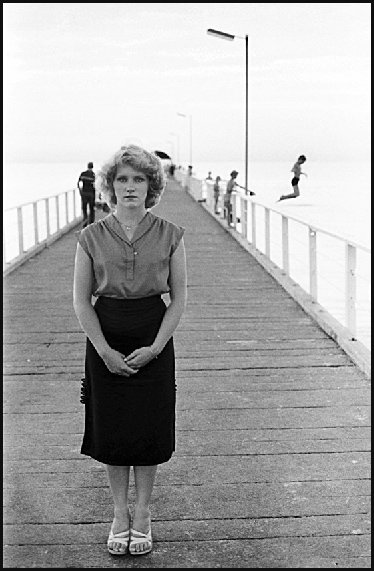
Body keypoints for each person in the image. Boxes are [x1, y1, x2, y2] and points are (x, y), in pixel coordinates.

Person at [73, 144, 187, 557]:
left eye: (139, 179)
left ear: (151, 185)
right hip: (106, 337)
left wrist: (156, 347)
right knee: (115, 428)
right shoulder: (91, 236)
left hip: (152, 336)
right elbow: (82, 301)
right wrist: (103, 350)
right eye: (122, 179)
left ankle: (143, 512)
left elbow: (179, 298)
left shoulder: (171, 234)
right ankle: (119, 513)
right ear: (110, 186)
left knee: (147, 427)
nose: (130, 187)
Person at [78, 162, 96, 227]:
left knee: (84, 209)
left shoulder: (83, 174)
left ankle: (85, 223)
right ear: (92, 167)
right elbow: (95, 185)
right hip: (91, 194)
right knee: (91, 209)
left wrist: (80, 191)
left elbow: (78, 183)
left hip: (84, 193)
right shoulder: (93, 175)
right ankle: (91, 224)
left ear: (87, 166)